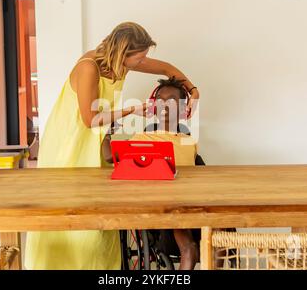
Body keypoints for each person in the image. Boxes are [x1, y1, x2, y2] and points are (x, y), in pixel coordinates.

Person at [25, 22, 200, 270]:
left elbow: (167, 68)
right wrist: (133, 109)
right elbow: (89, 119)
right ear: (123, 52)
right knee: (71, 210)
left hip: (94, 140)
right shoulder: (88, 68)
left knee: (97, 211)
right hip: (70, 143)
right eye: (139, 59)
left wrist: (193, 91)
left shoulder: (122, 64)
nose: (143, 63)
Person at [102, 77, 202, 270]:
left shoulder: (189, 140)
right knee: (174, 205)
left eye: (171, 101)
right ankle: (188, 250)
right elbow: (109, 156)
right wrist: (107, 134)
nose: (164, 105)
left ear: (183, 109)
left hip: (188, 197)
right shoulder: (142, 137)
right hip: (162, 200)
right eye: (160, 101)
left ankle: (198, 252)